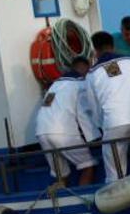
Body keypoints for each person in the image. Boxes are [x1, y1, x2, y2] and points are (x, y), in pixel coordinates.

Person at [86, 31, 130, 179]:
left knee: (115, 174)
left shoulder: (93, 73)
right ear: (113, 46)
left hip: (114, 123)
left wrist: (101, 126)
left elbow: (94, 108)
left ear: (95, 51)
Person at [35, 57, 100, 186]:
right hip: (62, 133)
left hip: (41, 133)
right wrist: (95, 137)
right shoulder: (80, 83)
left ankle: (63, 202)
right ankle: (84, 201)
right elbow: (83, 114)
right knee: (88, 165)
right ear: (85, 69)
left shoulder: (55, 85)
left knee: (61, 175)